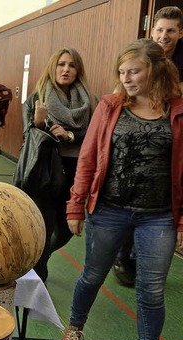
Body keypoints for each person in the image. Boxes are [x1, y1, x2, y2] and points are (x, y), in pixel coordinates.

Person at [60, 39, 183, 340]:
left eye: (134, 71)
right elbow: (87, 158)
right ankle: (75, 326)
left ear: (155, 70)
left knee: (152, 290)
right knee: (92, 275)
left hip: (158, 217)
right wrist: (75, 205)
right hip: (109, 210)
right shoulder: (111, 107)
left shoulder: (177, 111)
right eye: (121, 72)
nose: (126, 78)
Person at [113, 5, 183, 287]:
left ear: (180, 32)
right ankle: (123, 256)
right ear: (151, 30)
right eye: (160, 30)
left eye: (170, 31)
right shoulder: (138, 53)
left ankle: (145, 259)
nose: (164, 36)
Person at [21, 48, 97, 282]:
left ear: (78, 70)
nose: (66, 69)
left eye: (71, 65)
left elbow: (94, 135)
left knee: (66, 230)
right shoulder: (37, 98)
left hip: (75, 170)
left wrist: (71, 136)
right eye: (61, 64)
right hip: (45, 170)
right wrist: (39, 123)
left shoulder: (90, 102)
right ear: (53, 67)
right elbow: (28, 136)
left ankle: (39, 257)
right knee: (43, 227)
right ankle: (38, 276)